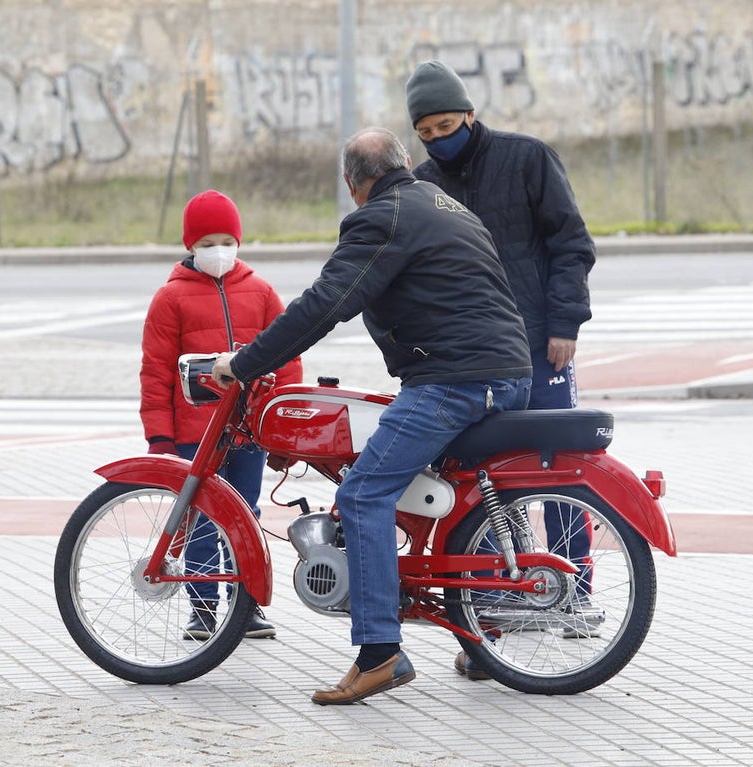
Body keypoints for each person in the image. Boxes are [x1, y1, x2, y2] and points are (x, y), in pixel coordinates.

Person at [211, 127, 533, 705]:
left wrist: (245, 363)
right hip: (506, 374)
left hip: (455, 381)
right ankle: (483, 636)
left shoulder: (382, 218)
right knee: (458, 494)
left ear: (351, 184)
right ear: (404, 161)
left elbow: (324, 304)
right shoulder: (445, 205)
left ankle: (379, 653)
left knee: (362, 494)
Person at [405, 62, 601, 665]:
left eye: (446, 126)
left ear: (470, 114)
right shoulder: (422, 185)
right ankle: (491, 608)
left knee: (560, 470)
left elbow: (571, 244)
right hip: (473, 359)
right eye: (426, 133)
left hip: (540, 345)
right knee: (482, 482)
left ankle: (575, 592)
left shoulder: (528, 159)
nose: (439, 139)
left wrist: (565, 325)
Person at [140, 189, 302, 641]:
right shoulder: (170, 298)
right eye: (207, 243)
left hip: (249, 432)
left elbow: (287, 362)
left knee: (246, 515)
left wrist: (282, 428)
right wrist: (159, 437)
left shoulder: (262, 292)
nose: (218, 251)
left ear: (238, 241)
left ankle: (246, 607)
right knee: (201, 519)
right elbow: (155, 373)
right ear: (190, 245)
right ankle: (203, 608)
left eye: (226, 241)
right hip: (195, 433)